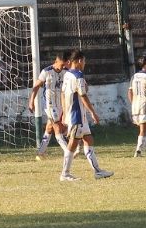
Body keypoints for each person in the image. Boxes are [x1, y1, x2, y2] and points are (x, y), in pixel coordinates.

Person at [59, 50, 113, 181]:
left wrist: (64, 112)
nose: (84, 64)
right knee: (72, 144)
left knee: (88, 139)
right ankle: (65, 174)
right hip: (76, 116)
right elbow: (83, 96)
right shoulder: (78, 75)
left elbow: (63, 94)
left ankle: (98, 171)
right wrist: (93, 113)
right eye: (84, 61)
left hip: (77, 115)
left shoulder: (67, 75)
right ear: (79, 61)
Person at [28, 52, 70, 161]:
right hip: (49, 105)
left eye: (64, 65)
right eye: (61, 65)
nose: (62, 67)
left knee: (49, 128)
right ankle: (68, 152)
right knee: (57, 127)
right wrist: (31, 101)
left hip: (60, 104)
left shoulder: (66, 71)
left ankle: (40, 153)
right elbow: (36, 86)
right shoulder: (46, 71)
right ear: (56, 61)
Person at [128, 53, 146, 157]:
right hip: (145, 105)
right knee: (143, 129)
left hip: (135, 104)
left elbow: (130, 92)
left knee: (143, 128)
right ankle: (138, 151)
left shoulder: (134, 76)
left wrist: (133, 103)